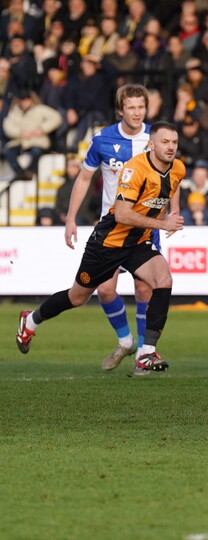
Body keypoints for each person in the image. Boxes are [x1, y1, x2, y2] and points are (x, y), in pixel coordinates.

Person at [17, 122, 185, 376]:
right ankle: (31, 320)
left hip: (137, 241)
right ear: (151, 144)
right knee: (77, 297)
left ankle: (146, 352)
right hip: (108, 242)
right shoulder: (135, 169)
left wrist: (175, 210)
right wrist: (163, 223)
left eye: (174, 142)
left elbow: (174, 183)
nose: (170, 147)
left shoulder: (178, 167)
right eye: (165, 142)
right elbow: (122, 215)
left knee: (163, 280)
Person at [62, 84, 157, 371]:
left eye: (141, 107)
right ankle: (125, 341)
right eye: (131, 107)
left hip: (144, 227)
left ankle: (144, 354)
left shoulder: (155, 138)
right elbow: (83, 179)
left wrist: (171, 212)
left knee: (145, 290)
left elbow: (171, 176)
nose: (137, 113)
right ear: (120, 110)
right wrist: (71, 218)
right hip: (112, 227)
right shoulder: (103, 140)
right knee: (104, 290)